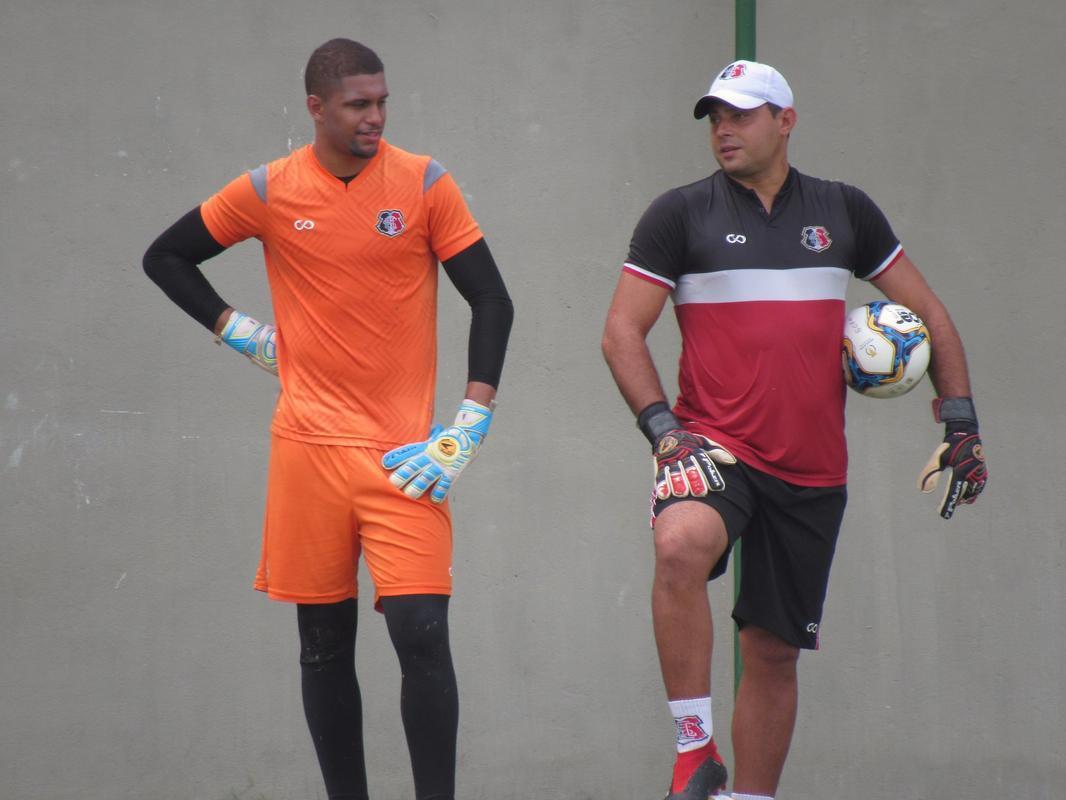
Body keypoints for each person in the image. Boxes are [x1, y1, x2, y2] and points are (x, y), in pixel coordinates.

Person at [601, 60, 987, 800]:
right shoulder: (678, 215)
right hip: (713, 445)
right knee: (679, 543)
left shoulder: (844, 211)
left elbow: (930, 316)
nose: (724, 128)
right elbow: (621, 330)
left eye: (741, 114)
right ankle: (693, 751)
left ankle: (749, 797)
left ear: (786, 120)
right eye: (715, 115)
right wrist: (664, 432)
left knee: (773, 653)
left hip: (812, 469)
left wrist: (960, 422)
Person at [143, 38, 513, 800]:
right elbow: (167, 257)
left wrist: (469, 423)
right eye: (359, 104)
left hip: (406, 457)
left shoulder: (424, 183)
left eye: (382, 102)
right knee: (322, 646)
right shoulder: (269, 190)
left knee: (422, 633)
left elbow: (493, 300)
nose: (376, 116)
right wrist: (238, 331)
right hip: (306, 449)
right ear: (316, 108)